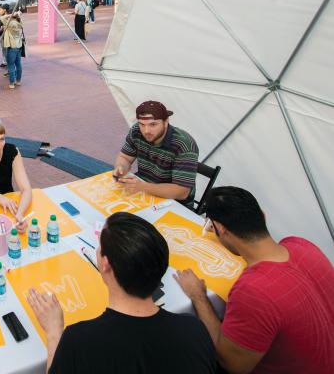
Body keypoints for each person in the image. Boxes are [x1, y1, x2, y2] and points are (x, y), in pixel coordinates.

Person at [28, 212, 216, 373]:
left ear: (106, 264)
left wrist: (54, 333)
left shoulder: (79, 342)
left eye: (99, 245)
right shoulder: (194, 330)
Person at [175, 186, 334, 374]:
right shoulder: (301, 245)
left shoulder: (253, 290)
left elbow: (232, 363)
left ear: (219, 228)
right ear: (262, 216)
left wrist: (198, 296)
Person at [113, 100, 199, 205]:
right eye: (142, 124)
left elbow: (182, 192)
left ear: (166, 121)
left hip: (173, 202)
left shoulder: (183, 144)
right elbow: (125, 157)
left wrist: (143, 187)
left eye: (153, 124)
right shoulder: (136, 130)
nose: (146, 131)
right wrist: (121, 168)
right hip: (144, 190)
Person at [1, 8, 23, 89]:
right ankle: (18, 81)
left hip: (11, 47)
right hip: (19, 46)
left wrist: (11, 15)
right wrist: (18, 15)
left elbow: (1, 18)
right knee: (18, 64)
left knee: (10, 65)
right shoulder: (19, 22)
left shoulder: (10, 23)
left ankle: (12, 83)